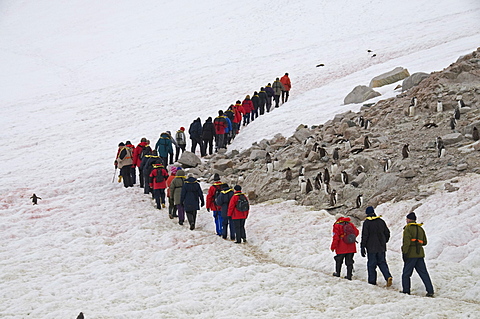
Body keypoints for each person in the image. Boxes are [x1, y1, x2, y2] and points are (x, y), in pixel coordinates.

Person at [401, 212, 434, 297]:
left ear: (408, 219)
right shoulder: (420, 229)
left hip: (410, 254)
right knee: (424, 273)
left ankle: (406, 290)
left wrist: (404, 252)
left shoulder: (407, 229)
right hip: (420, 254)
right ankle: (430, 290)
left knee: (406, 274)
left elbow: (406, 243)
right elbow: (425, 242)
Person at [360, 206, 393, 286]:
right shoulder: (381, 221)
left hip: (371, 248)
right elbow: (387, 233)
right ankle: (388, 276)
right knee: (382, 262)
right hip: (381, 247)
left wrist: (362, 246)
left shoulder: (367, 223)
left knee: (371, 264)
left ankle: (372, 281)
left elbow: (365, 236)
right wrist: (384, 241)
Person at [330, 215, 359, 280]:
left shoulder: (337, 225)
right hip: (351, 246)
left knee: (339, 260)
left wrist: (333, 246)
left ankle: (337, 273)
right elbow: (356, 232)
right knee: (349, 261)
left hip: (341, 247)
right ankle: (349, 276)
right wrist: (349, 238)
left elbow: (336, 237)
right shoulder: (350, 224)